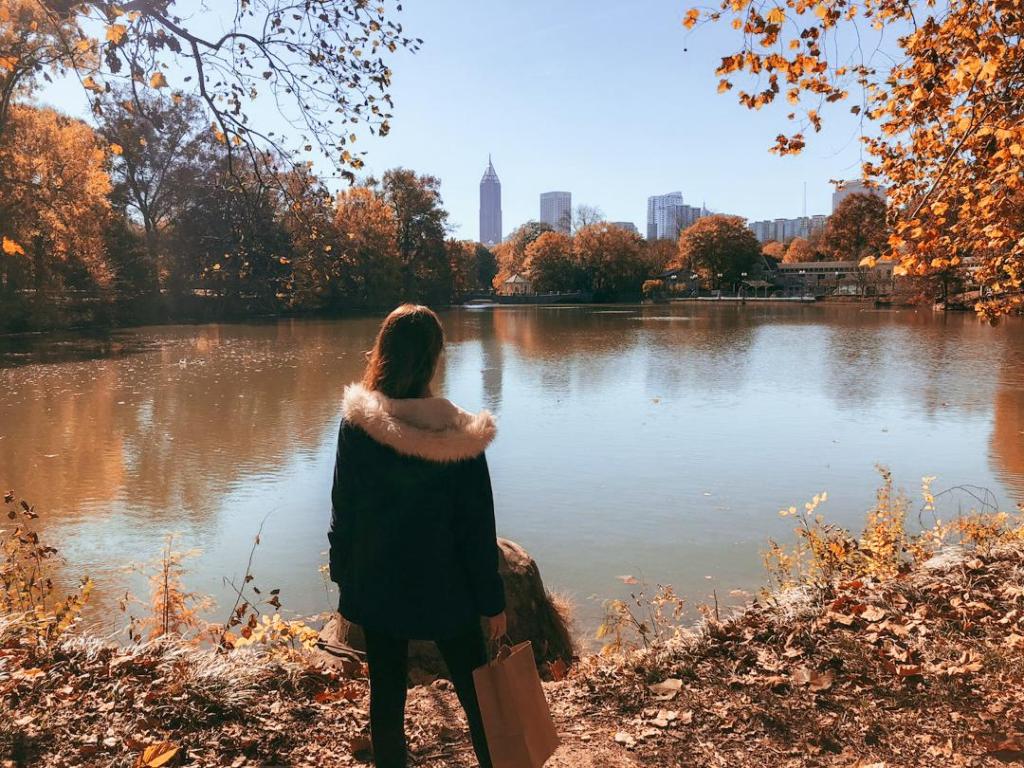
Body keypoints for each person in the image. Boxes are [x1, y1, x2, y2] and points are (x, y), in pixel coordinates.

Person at [328, 304, 507, 768]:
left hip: (380, 586)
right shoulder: (460, 437)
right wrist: (492, 602)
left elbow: (344, 512)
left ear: (382, 353)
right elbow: (477, 529)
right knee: (479, 696)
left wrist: (346, 583)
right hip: (450, 592)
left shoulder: (358, 426)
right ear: (435, 358)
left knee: (386, 695)